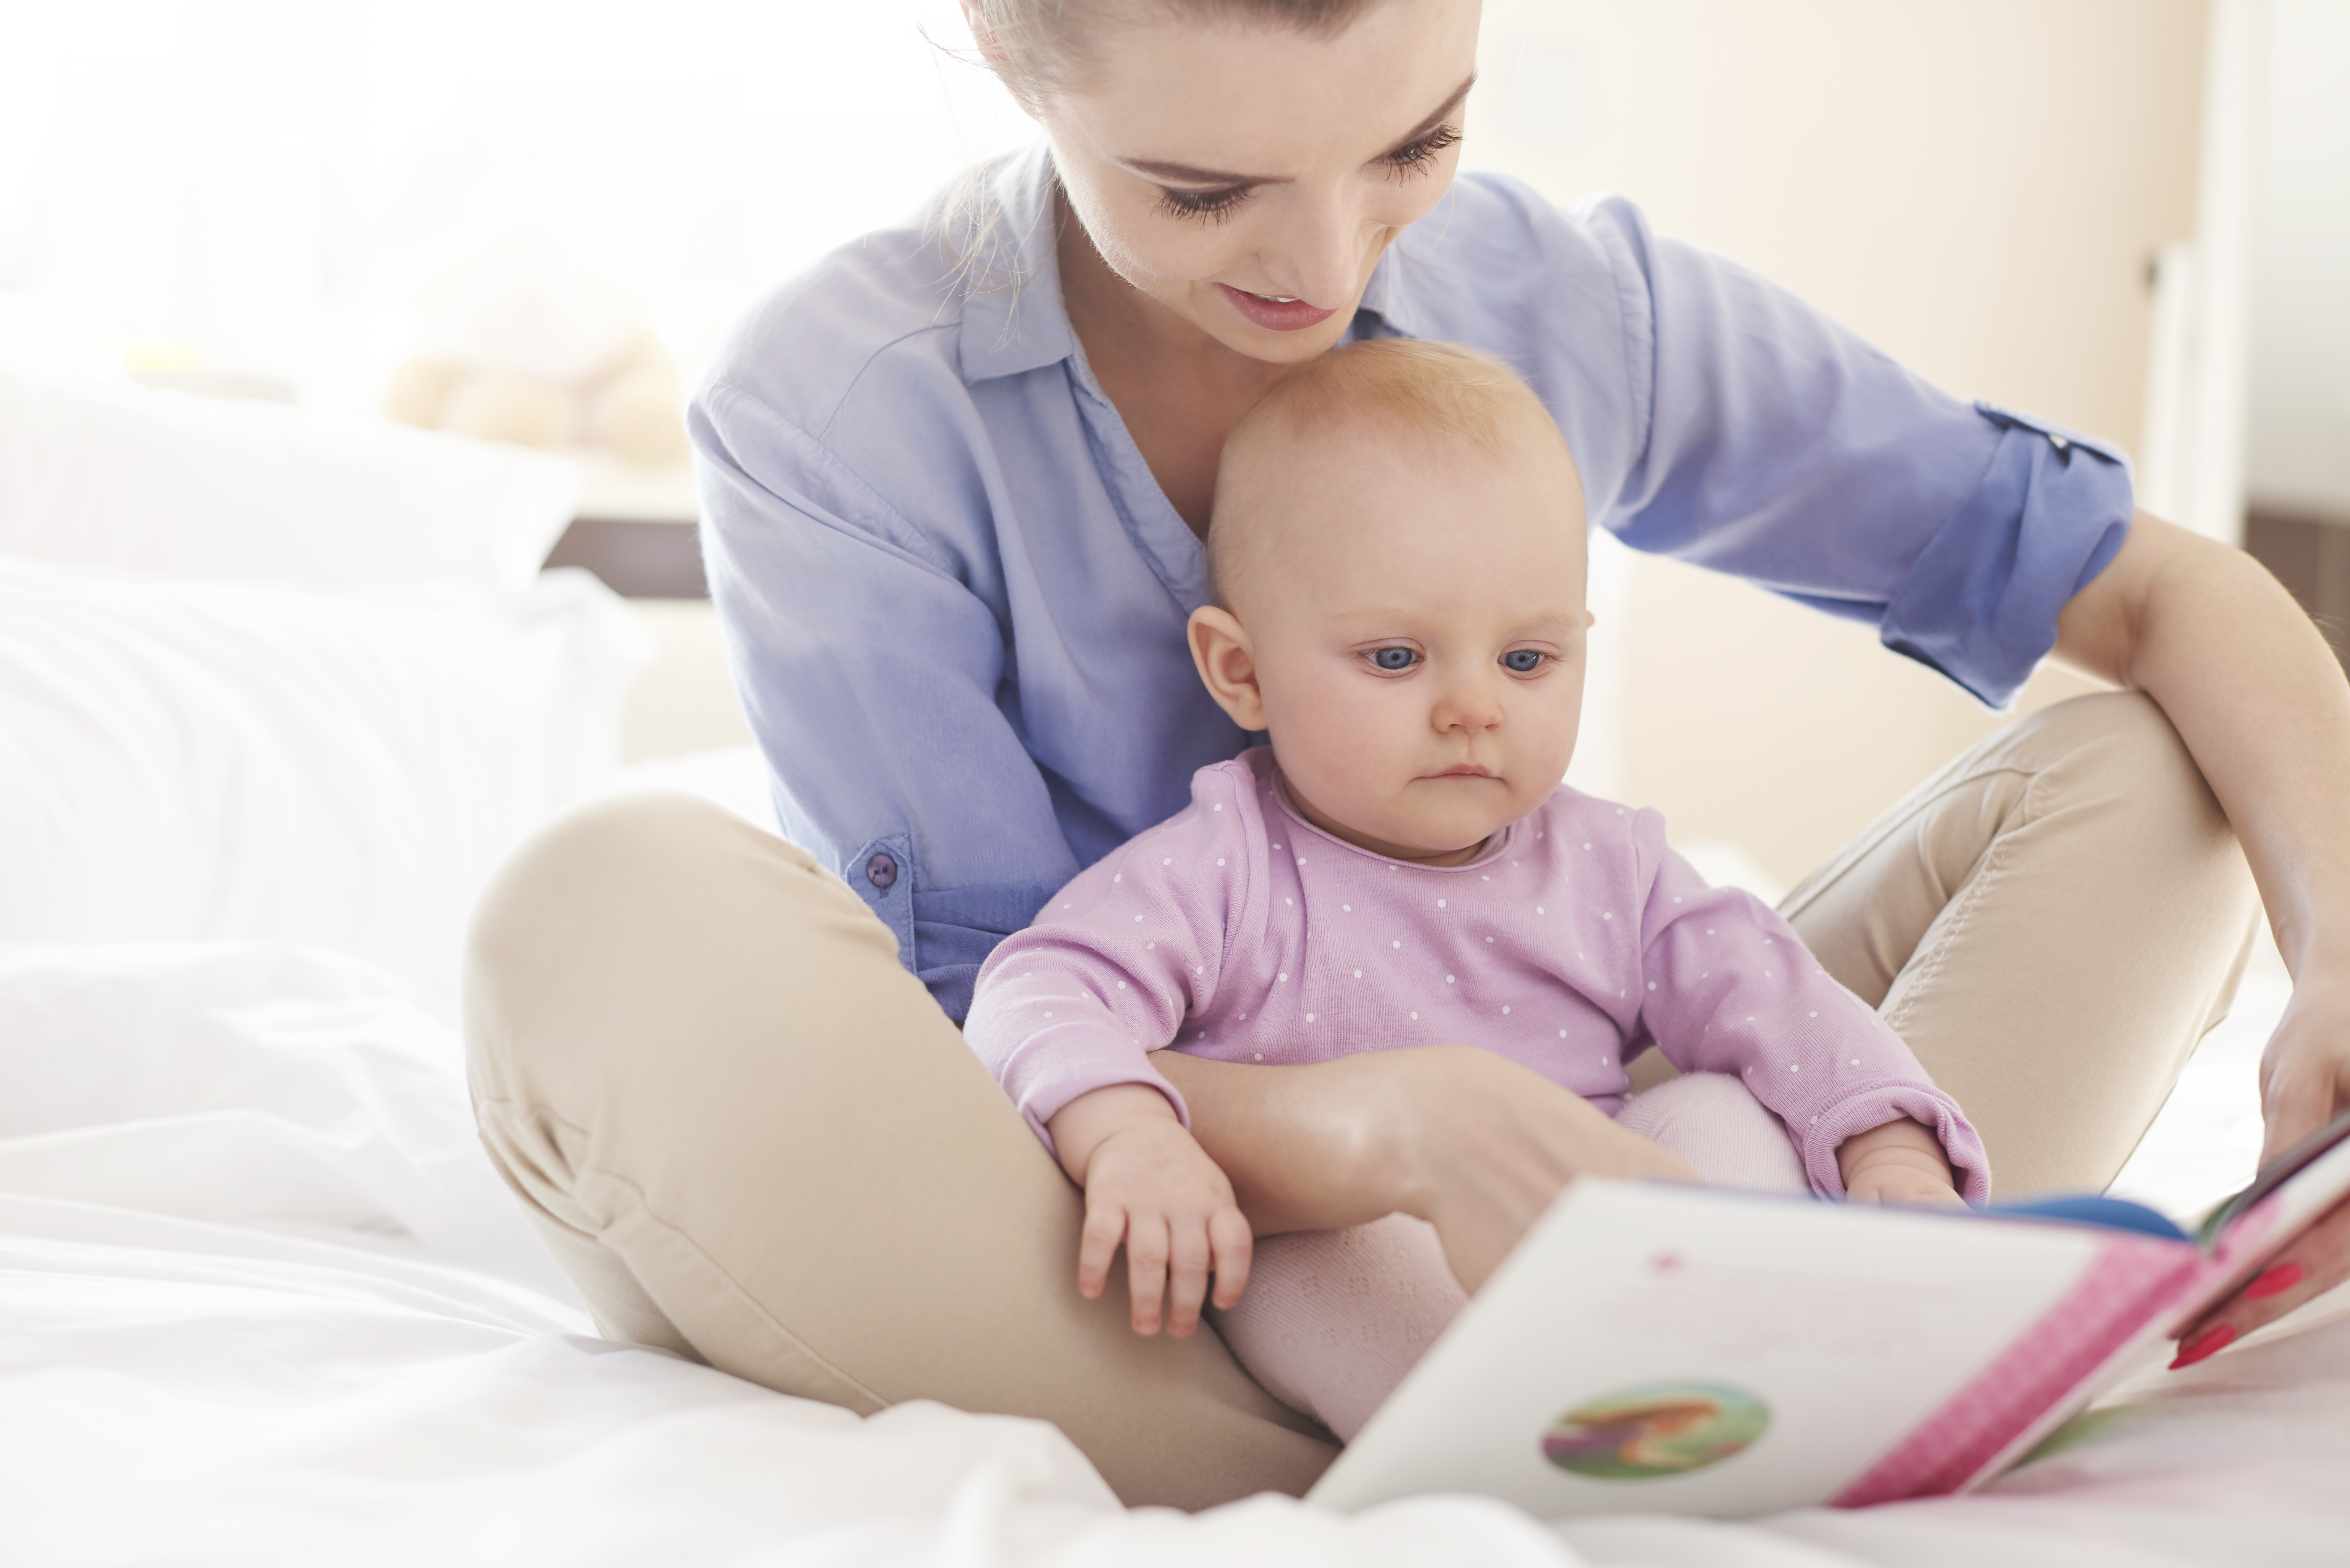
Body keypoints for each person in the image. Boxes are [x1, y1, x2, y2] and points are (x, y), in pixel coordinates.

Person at [463, 0, 2350, 1511]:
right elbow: (1003, 1035)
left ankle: (1787, 1335)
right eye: (1202, 191)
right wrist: (1388, 1126)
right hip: (1133, 1222)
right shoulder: (843, 407)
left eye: (1416, 142)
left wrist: (2340, 947)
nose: (1328, 259)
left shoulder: (1552, 304)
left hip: (1582, 1167)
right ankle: (1553, 1436)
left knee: (2158, 767)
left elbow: (2157, 594)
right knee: (598, 912)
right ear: (998, 40)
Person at [962, 338, 1987, 1441]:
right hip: (1376, 1256)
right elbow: (1036, 988)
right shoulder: (1226, 862)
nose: (1473, 708)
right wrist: (1128, 1132)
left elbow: (1786, 1003)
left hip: (1605, 1256)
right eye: (1397, 659)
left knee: (1729, 1108)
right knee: (1308, 1264)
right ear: (1242, 672)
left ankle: (1747, 1381)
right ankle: (1500, 1443)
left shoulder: (1613, 866)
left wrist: (1889, 1149)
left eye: (1527, 661)